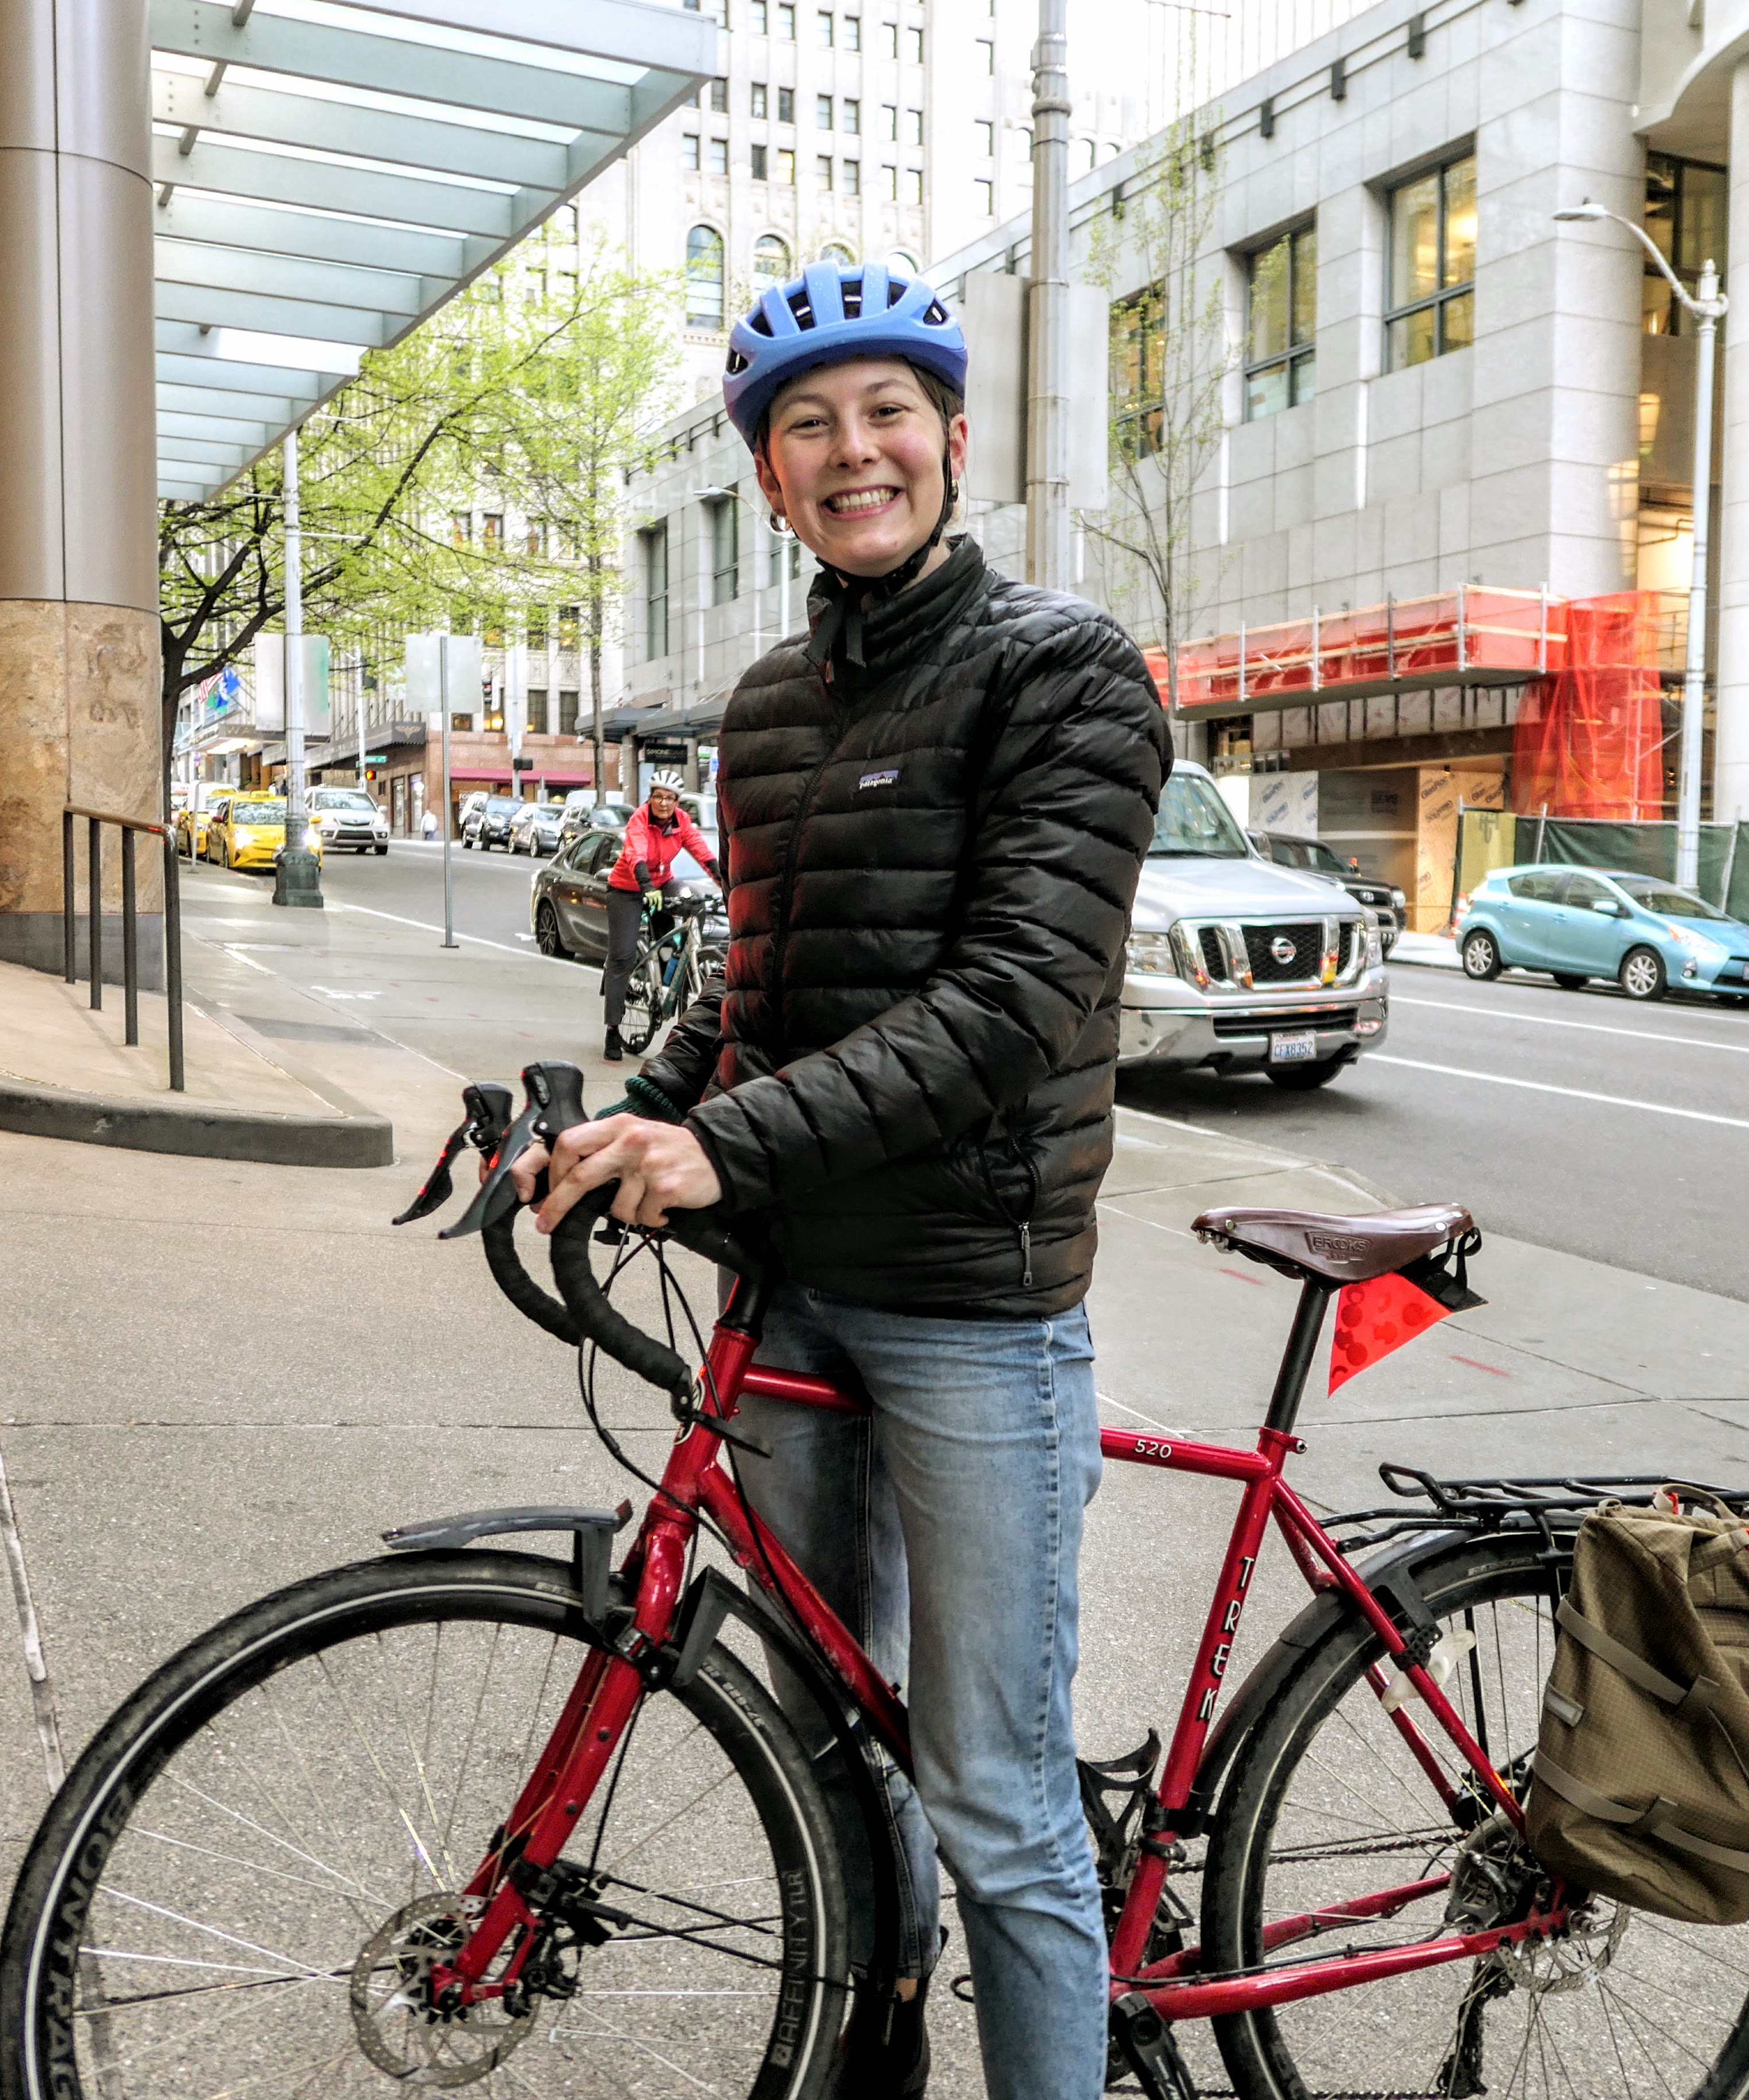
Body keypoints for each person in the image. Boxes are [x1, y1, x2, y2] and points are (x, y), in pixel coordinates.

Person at [512, 260, 1170, 2100]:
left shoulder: (1063, 669)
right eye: (808, 424)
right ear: (771, 474)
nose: (851, 449)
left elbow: (1013, 1001)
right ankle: (878, 2054)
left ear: (952, 439)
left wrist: (715, 1143)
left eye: (886, 412)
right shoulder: (770, 704)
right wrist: (630, 1116)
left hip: (971, 1298)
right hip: (790, 1286)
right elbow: (756, 984)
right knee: (832, 1735)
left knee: (995, 1792)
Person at [602, 771, 717, 1063]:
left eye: (670, 798)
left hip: (663, 884)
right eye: (658, 797)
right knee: (622, 957)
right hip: (627, 888)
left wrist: (725, 883)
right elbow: (636, 854)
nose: (664, 803)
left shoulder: (682, 822)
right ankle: (613, 1029)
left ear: (677, 802)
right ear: (650, 798)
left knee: (696, 903)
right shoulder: (640, 819)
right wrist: (646, 886)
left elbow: (703, 853)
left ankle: (675, 962)